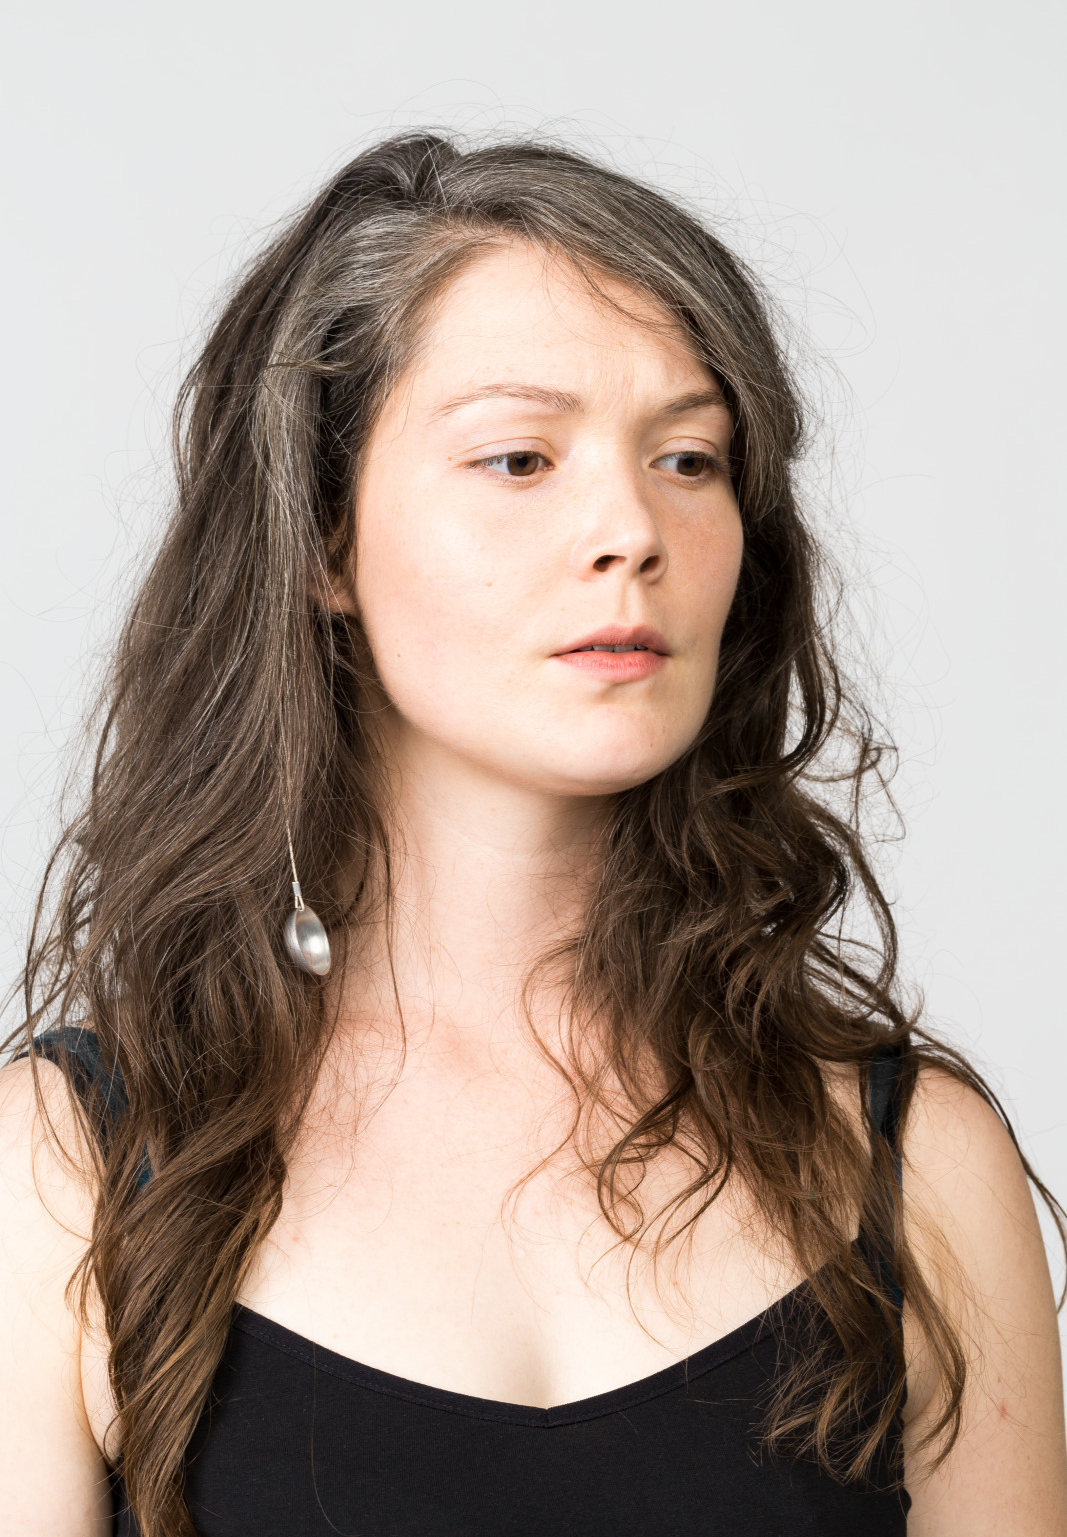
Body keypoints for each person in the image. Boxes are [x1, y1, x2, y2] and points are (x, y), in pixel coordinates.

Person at [1, 133, 1064, 1537]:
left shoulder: (913, 1164)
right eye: (519, 458)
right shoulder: (66, 1171)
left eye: (690, 457)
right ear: (323, 540)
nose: (631, 526)